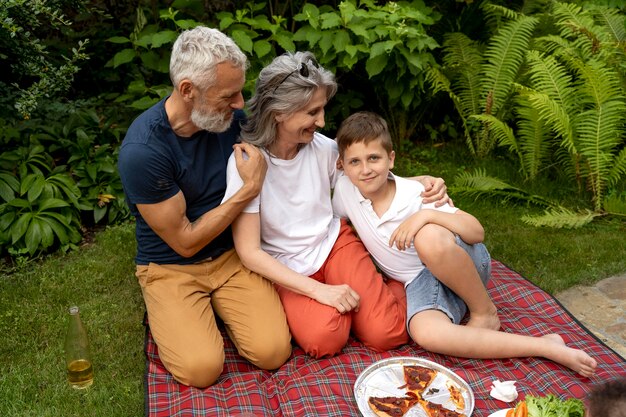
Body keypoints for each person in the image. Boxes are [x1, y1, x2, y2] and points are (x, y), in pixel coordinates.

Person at [331, 111, 598, 377]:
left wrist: (426, 215)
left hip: (462, 262)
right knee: (426, 334)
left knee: (427, 236)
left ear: (391, 159)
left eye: (374, 158)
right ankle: (545, 346)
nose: (365, 169)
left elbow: (476, 231)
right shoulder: (346, 191)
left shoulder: (416, 195)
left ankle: (484, 312)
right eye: (355, 161)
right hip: (421, 281)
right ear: (343, 165)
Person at [222, 51, 450, 358]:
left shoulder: (325, 149)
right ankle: (363, 302)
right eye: (312, 112)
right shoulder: (247, 164)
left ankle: (402, 285)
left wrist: (420, 180)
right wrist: (320, 291)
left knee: (387, 333)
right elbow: (249, 252)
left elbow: (370, 175)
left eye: (322, 109)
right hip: (286, 265)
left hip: (334, 245)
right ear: (280, 112)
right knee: (325, 338)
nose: (322, 121)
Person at [117, 26, 291, 388]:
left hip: (231, 256)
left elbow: (298, 143)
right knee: (201, 370)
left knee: (273, 351)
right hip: (170, 266)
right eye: (229, 95)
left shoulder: (230, 121)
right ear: (187, 90)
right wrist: (247, 191)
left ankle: (214, 313)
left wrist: (392, 179)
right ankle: (183, 312)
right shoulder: (144, 151)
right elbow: (185, 241)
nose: (241, 103)